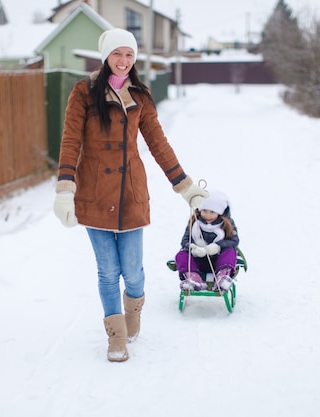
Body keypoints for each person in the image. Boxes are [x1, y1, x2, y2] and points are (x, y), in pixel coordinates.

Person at [52, 28, 208, 363]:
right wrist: (66, 189)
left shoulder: (141, 96)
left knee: (133, 271)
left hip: (130, 193)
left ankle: (133, 312)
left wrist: (185, 186)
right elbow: (70, 143)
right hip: (93, 192)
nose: (123, 61)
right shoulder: (84, 92)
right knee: (107, 271)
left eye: (129, 55)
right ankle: (116, 336)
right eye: (117, 54)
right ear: (106, 56)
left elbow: (158, 145)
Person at [174, 189, 240, 292]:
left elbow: (234, 241)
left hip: (218, 261)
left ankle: (222, 278)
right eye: (204, 211)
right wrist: (193, 248)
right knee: (181, 254)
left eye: (212, 212)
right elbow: (185, 240)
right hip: (198, 262)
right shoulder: (194, 222)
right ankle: (193, 279)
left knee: (230, 252)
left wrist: (217, 246)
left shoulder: (227, 224)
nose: (208, 215)